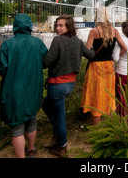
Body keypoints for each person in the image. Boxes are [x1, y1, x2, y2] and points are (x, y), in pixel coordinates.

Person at [0, 14, 48, 158]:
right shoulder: (38, 43)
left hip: (13, 89)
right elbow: (46, 61)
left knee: (17, 124)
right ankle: (31, 149)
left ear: (15, 26)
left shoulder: (8, 44)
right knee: (31, 118)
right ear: (30, 26)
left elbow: (0, 68)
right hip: (34, 88)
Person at [42, 14, 94, 158]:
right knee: (46, 106)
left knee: (59, 117)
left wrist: (39, 57)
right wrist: (98, 46)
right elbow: (90, 54)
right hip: (70, 85)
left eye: (61, 25)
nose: (57, 28)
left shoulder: (58, 41)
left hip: (57, 85)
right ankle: (58, 136)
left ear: (69, 26)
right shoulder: (77, 41)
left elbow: (47, 62)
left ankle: (62, 146)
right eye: (56, 25)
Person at [81, 7, 127, 126]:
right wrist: (113, 58)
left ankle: (96, 131)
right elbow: (125, 48)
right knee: (109, 96)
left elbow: (86, 52)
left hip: (96, 67)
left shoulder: (94, 31)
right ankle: (112, 127)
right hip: (109, 66)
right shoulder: (115, 31)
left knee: (96, 96)